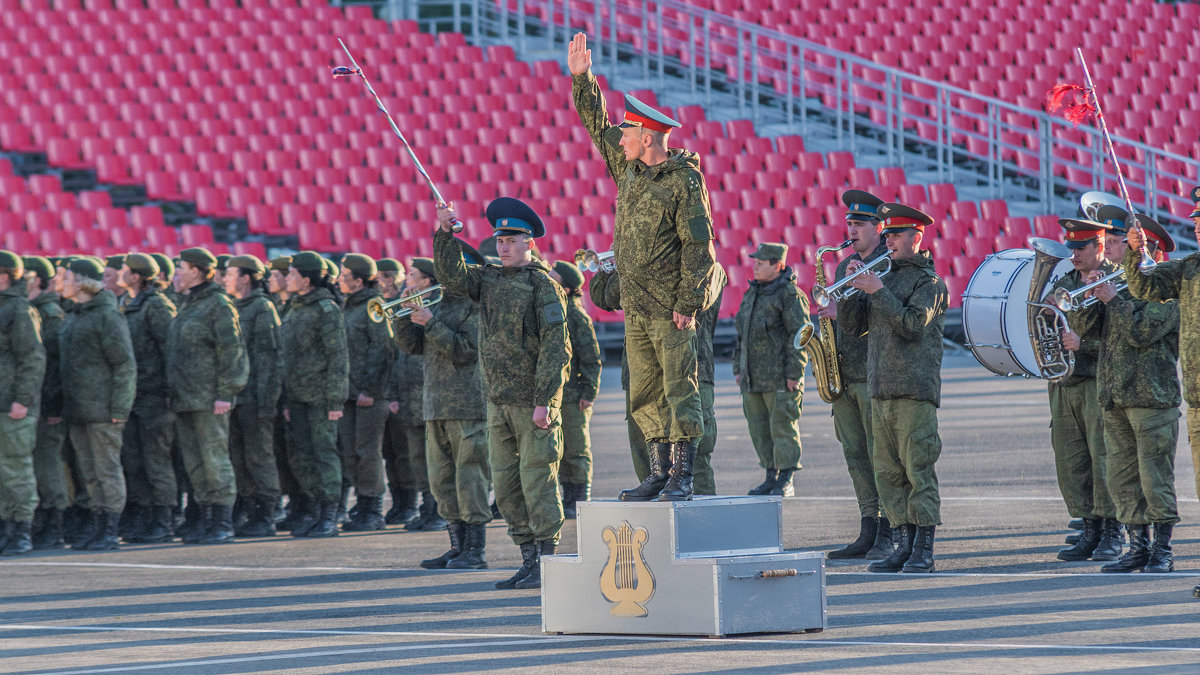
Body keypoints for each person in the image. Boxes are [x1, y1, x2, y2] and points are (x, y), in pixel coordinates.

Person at [569, 33, 716, 502]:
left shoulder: (683, 181)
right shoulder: (629, 168)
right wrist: (582, 80)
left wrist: (688, 302)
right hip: (636, 304)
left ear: (648, 138)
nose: (621, 139)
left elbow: (699, 244)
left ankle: (683, 474)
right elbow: (598, 124)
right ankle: (658, 472)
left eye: (629, 134)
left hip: (671, 308)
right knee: (645, 394)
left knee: (680, 389)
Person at [434, 197, 571, 590]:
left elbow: (555, 348)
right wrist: (444, 233)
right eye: (499, 240)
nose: (503, 246)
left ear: (530, 242)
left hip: (533, 403)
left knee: (537, 482)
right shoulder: (489, 280)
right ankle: (528, 558)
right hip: (497, 401)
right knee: (508, 488)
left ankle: (547, 561)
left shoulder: (542, 285)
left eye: (512, 239)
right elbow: (452, 275)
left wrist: (546, 400)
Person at [837, 203, 947, 573]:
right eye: (887, 235)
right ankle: (902, 544)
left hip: (913, 390)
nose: (889, 241)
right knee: (887, 474)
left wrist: (878, 291)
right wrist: (853, 289)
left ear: (917, 238)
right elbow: (853, 328)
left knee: (918, 471)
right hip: (880, 387)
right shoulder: (882, 274)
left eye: (896, 235)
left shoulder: (928, 283)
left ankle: (924, 548)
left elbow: (913, 324)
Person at [1081, 213, 1180, 573]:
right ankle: (1138, 546)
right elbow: (1088, 335)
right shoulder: (1114, 285)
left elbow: (1141, 333)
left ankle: (1163, 549)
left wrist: (1112, 301)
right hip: (1115, 396)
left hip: (1152, 398)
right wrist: (1092, 294)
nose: (1109, 246)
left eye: (1121, 241)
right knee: (1123, 479)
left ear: (1145, 247)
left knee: (1155, 479)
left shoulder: (1167, 292)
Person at [589, 264, 726, 495]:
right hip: (644, 373)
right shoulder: (644, 263)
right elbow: (605, 298)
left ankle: (702, 522)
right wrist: (618, 265)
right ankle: (655, 523)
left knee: (695, 460)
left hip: (690, 372)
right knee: (646, 454)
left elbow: (698, 298)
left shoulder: (707, 266)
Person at [394, 249, 491, 570]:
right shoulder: (433, 304)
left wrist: (431, 323)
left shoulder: (474, 305)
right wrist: (405, 316)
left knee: (471, 477)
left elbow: (465, 351)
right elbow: (411, 347)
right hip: (435, 403)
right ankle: (456, 544)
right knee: (441, 479)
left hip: (467, 403)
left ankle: (475, 550)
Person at [1123, 187, 1200, 573]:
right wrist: (1135, 253)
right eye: (1197, 221)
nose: (1199, 227)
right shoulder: (1189, 268)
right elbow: (1145, 287)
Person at [822, 190, 895, 560]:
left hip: (874, 371)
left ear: (879, 228)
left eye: (859, 224)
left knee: (880, 454)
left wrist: (840, 313)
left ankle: (889, 530)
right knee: (855, 454)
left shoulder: (890, 264)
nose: (851, 230)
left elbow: (880, 318)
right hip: (846, 373)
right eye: (849, 223)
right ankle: (868, 526)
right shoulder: (843, 266)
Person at [1047, 216, 1122, 562]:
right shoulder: (1065, 282)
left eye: (1080, 248)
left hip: (1097, 382)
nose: (1074, 255)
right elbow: (1046, 319)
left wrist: (1084, 344)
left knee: (1102, 459)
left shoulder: (1117, 281)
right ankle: (1088, 528)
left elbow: (1124, 339)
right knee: (1071, 460)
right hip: (1065, 384)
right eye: (1071, 248)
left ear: (1099, 247)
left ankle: (1111, 531)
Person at [167, 247, 249, 545]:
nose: (177, 273)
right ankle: (205, 516)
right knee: (195, 462)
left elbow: (232, 351)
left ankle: (222, 521)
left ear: (198, 271)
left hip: (209, 397)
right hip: (186, 397)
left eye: (182, 268)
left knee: (215, 460)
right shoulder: (188, 304)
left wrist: (227, 391)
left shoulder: (217, 304)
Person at [59, 257, 136, 551]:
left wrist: (119, 407)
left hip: (103, 409)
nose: (63, 283)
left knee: (106, 470)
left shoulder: (106, 315)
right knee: (89, 470)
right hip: (79, 407)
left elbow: (124, 364)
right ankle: (98, 524)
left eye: (67, 278)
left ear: (81, 282)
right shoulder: (77, 314)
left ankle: (110, 529)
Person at [280, 251, 349, 538]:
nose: (287, 278)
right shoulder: (295, 307)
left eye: (292, 274)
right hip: (297, 395)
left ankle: (329, 515)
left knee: (324, 454)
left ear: (307, 279)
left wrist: (335, 399)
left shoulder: (326, 309)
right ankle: (314, 510)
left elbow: (337, 357)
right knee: (302, 455)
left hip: (321, 396)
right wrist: (286, 397)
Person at [732, 242, 810, 497]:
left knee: (782, 427)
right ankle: (770, 475)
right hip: (753, 378)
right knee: (759, 428)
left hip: (780, 378)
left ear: (778, 265)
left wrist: (794, 373)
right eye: (754, 262)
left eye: (760, 263)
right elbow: (741, 335)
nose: (754, 266)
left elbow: (800, 336)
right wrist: (738, 367)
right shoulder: (752, 293)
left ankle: (786, 478)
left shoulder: (789, 295)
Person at [116, 253, 178, 544]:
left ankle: (163, 519)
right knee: (133, 459)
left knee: (157, 461)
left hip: (154, 396)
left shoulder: (156, 306)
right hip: (133, 394)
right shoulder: (126, 304)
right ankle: (143, 513)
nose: (120, 273)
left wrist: (169, 391)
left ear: (137, 276)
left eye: (125, 270)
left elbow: (172, 352)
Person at [223, 255, 283, 537]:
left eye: (231, 273)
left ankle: (266, 513)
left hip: (256, 397)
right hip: (238, 396)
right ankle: (247, 508)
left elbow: (269, 359)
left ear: (246, 277)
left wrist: (267, 402)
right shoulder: (233, 306)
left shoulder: (261, 307)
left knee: (260, 457)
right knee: (238, 456)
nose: (225, 278)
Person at [338, 253, 394, 531]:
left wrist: (370, 388)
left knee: (367, 451)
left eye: (344, 275)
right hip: (349, 391)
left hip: (369, 393)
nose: (339, 279)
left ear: (358, 281)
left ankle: (372, 509)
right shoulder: (349, 305)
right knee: (350, 451)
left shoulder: (373, 305)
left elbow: (383, 348)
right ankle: (361, 503)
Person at [0, 252, 46, 556]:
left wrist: (23, 399)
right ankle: (7, 527)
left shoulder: (18, 309)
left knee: (16, 469)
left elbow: (32, 357)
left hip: (11, 405)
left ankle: (21, 530)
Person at [549, 260, 602, 518]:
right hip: (557, 396)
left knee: (576, 449)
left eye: (553, 276)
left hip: (573, 396)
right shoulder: (554, 309)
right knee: (559, 449)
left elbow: (591, 357)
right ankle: (567, 496)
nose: (548, 277)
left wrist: (589, 393)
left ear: (566, 288)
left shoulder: (575, 314)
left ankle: (580, 499)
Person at [23, 256, 68, 549]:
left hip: (47, 404)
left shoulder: (50, 313)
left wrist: (53, 406)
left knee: (48, 464)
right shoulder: (33, 310)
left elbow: (55, 365)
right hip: (35, 401)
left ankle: (55, 524)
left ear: (39, 280)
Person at [376, 258, 420, 525]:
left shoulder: (410, 303)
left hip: (410, 389)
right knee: (390, 453)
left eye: (383, 278)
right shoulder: (382, 305)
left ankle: (412, 504)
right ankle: (400, 503)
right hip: (391, 386)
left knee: (407, 454)